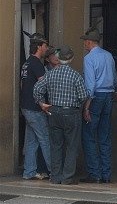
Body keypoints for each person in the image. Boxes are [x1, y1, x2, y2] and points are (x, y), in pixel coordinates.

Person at [33, 45, 88, 185]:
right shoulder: (76, 75)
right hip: (71, 112)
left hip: (54, 111)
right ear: (71, 59)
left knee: (55, 145)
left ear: (58, 59)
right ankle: (67, 177)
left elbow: (37, 88)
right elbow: (83, 96)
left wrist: (41, 104)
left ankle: (55, 176)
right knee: (71, 146)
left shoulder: (50, 74)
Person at [80, 28, 117, 184]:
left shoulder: (89, 58)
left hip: (96, 98)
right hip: (109, 96)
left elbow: (90, 84)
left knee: (89, 135)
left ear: (89, 42)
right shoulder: (108, 56)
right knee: (105, 136)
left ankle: (94, 174)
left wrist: (87, 106)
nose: (84, 44)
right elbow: (115, 80)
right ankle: (106, 174)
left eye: (85, 41)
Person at [20, 34, 51, 180]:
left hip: (26, 106)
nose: (47, 48)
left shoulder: (26, 63)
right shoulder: (37, 63)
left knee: (32, 141)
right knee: (45, 139)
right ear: (39, 46)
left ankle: (29, 171)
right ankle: (54, 171)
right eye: (45, 46)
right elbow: (44, 85)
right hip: (35, 107)